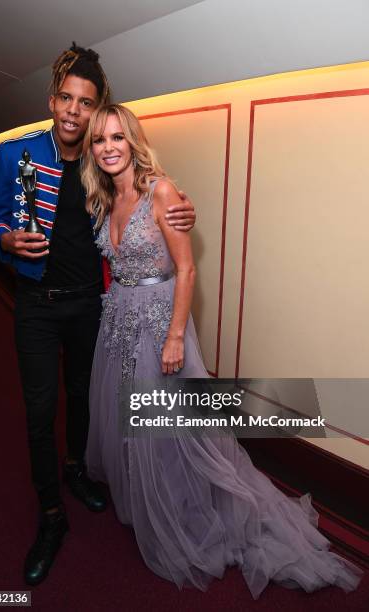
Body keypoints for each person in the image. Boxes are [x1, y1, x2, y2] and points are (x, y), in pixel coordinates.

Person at [82, 104, 363, 599]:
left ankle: (186, 514)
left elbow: (186, 269)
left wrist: (173, 337)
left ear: (132, 141)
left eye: (117, 138)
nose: (108, 147)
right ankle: (150, 502)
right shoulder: (105, 200)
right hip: (119, 321)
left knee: (174, 428)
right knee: (130, 422)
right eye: (99, 140)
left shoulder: (161, 191)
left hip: (158, 324)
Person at [0, 43, 196, 586]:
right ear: (53, 102)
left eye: (87, 103)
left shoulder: (103, 164)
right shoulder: (17, 156)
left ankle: (77, 470)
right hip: (35, 305)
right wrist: (4, 238)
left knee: (83, 395)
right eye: (67, 100)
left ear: (98, 110)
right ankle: (50, 517)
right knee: (37, 411)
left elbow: (142, 201)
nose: (75, 112)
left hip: (90, 307)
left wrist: (178, 207)